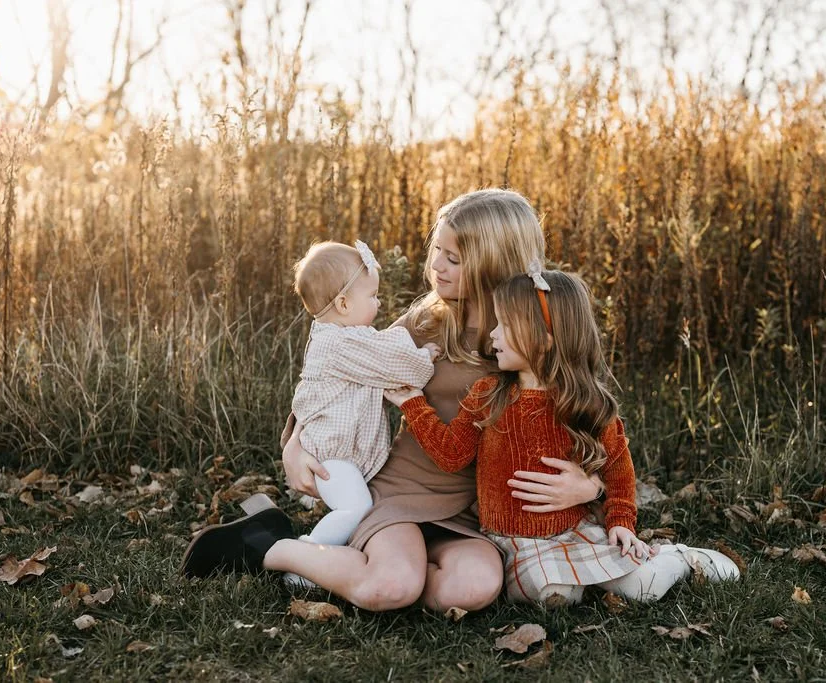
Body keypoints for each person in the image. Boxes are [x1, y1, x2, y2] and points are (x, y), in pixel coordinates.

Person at [181, 189, 603, 611]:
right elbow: (335, 374)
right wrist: (295, 443)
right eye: (437, 249)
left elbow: (591, 419)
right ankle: (270, 545)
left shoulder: (539, 335)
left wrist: (591, 486)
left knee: (472, 589)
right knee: (390, 587)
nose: (437, 265)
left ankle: (352, 566)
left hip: (477, 512)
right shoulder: (424, 324)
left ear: (496, 264)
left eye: (454, 259)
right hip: (403, 490)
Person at [384, 268, 740, 604]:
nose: (492, 335)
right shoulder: (488, 393)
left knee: (641, 589)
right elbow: (452, 454)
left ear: (545, 337)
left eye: (505, 325)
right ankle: (582, 580)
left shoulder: (585, 403)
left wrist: (620, 522)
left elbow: (618, 467)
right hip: (511, 539)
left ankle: (679, 559)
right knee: (552, 594)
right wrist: (413, 404)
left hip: (571, 529)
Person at [278, 241, 439, 587]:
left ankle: (325, 551)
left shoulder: (342, 337)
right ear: (344, 304)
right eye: (373, 296)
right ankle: (305, 561)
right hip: (332, 456)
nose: (379, 303)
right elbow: (401, 367)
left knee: (355, 505)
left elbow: (382, 351)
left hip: (337, 453)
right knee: (355, 507)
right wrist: (424, 355)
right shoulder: (342, 344)